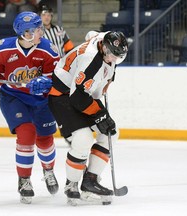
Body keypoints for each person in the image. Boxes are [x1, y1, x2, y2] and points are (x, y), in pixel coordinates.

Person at [0, 11, 60, 204]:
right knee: (27, 133)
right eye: (37, 30)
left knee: (45, 139)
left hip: (41, 100)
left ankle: (48, 171)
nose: (41, 32)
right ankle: (24, 180)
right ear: (25, 34)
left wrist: (46, 83)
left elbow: (57, 79)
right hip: (13, 97)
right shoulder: (2, 49)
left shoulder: (49, 50)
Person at [48, 31, 128, 205]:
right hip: (62, 95)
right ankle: (72, 184)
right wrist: (99, 114)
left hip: (82, 93)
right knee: (83, 139)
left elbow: (91, 33)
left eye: (118, 57)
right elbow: (77, 97)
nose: (114, 59)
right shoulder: (91, 61)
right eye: (112, 55)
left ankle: (90, 181)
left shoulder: (106, 40)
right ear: (104, 48)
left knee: (111, 133)